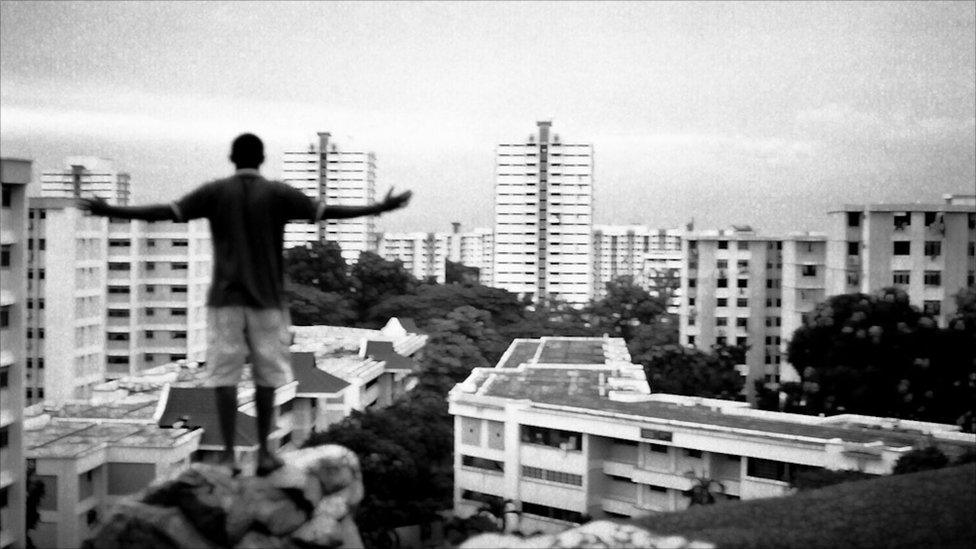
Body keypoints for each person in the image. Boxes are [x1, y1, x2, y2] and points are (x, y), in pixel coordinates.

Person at [79, 133, 412, 475]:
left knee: (224, 376)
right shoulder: (277, 193)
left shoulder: (216, 191)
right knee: (267, 378)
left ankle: (225, 453)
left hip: (225, 301)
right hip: (267, 302)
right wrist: (379, 208)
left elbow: (165, 211)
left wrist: (111, 210)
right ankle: (266, 454)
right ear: (262, 157)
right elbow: (330, 213)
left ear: (232, 156)